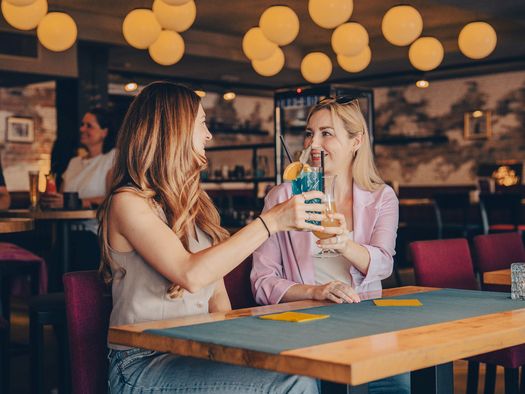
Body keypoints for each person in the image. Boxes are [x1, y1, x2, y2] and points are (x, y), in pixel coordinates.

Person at [99, 82, 326, 393]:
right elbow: (191, 274)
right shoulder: (128, 203)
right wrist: (270, 222)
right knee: (294, 381)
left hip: (196, 350)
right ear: (173, 131)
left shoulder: (197, 204)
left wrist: (247, 345)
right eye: (202, 124)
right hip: (142, 363)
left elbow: (216, 297)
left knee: (295, 365)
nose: (209, 135)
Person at [251, 97, 409, 394]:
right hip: (304, 328)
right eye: (309, 133)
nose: (313, 143)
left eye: (327, 133)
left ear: (356, 141)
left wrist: (346, 245)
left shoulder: (381, 197)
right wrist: (315, 292)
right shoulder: (282, 197)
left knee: (398, 386)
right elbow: (262, 281)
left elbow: (385, 264)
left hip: (368, 327)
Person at [41, 107, 116, 270]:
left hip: (93, 236)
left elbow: (114, 197)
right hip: (64, 233)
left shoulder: (112, 158)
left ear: (104, 132)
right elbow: (60, 197)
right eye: (82, 125)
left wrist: (79, 201)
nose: (82, 129)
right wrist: (51, 200)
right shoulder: (74, 162)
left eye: (89, 126)